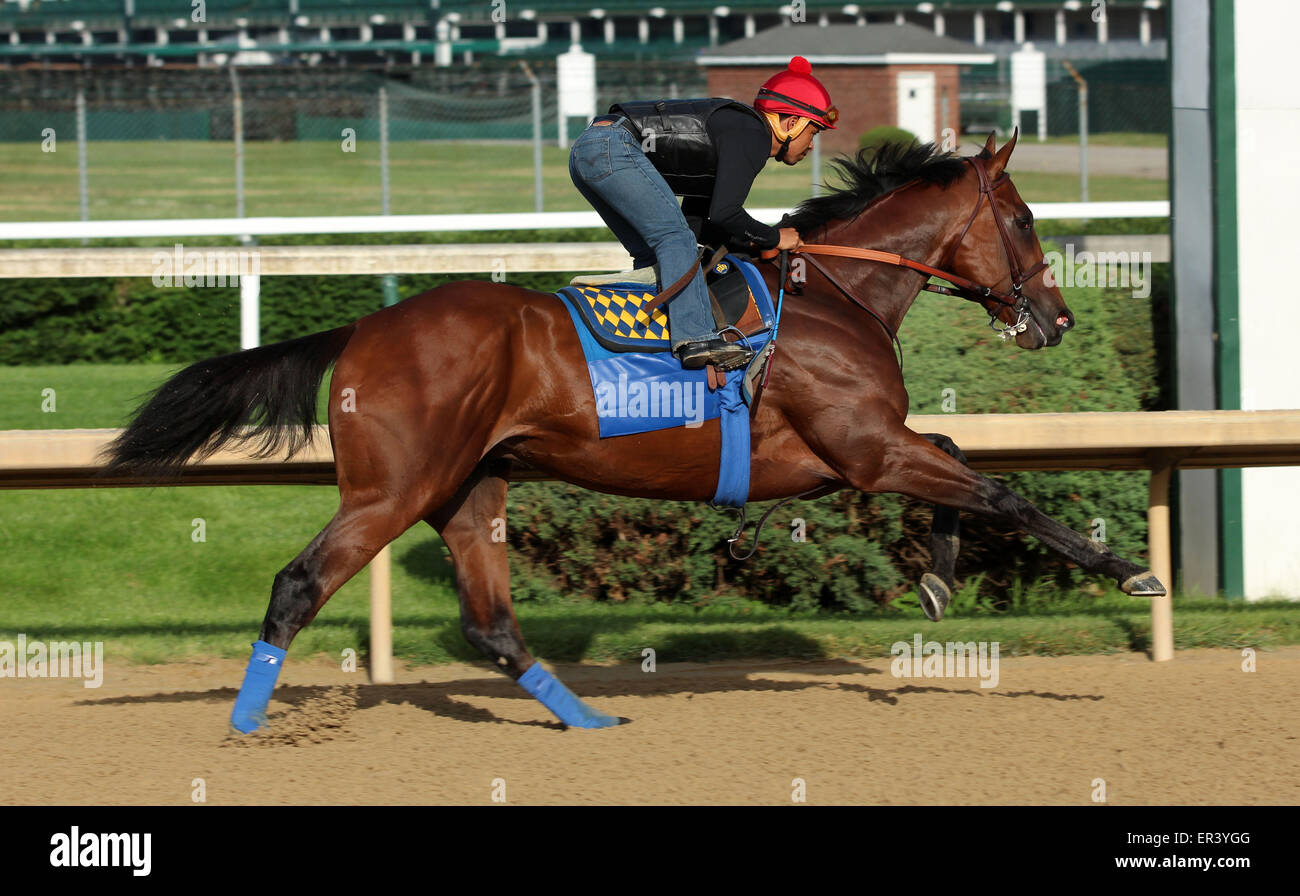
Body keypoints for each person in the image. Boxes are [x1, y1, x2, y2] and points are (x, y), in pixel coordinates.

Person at [568, 56, 838, 369]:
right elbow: (726, 213)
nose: (811, 146)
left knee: (662, 253)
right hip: (612, 147)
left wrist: (753, 244)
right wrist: (775, 237)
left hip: (591, 150)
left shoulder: (738, 134)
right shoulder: (753, 135)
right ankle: (696, 340)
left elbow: (705, 223)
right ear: (793, 123)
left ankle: (649, 341)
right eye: (814, 133)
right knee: (673, 238)